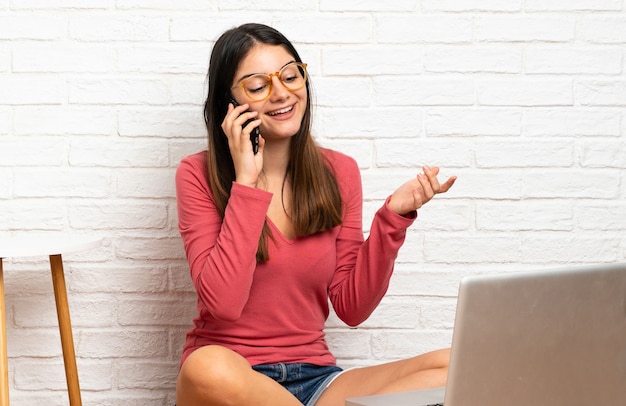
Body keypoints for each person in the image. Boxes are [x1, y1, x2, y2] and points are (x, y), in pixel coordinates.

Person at [174, 23, 457, 406]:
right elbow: (222, 304)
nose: (283, 93)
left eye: (291, 76)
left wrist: (392, 219)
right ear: (230, 102)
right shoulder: (197, 175)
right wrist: (246, 182)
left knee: (454, 364)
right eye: (259, 87)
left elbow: (352, 307)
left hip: (317, 381)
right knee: (205, 367)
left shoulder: (339, 172)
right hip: (233, 381)